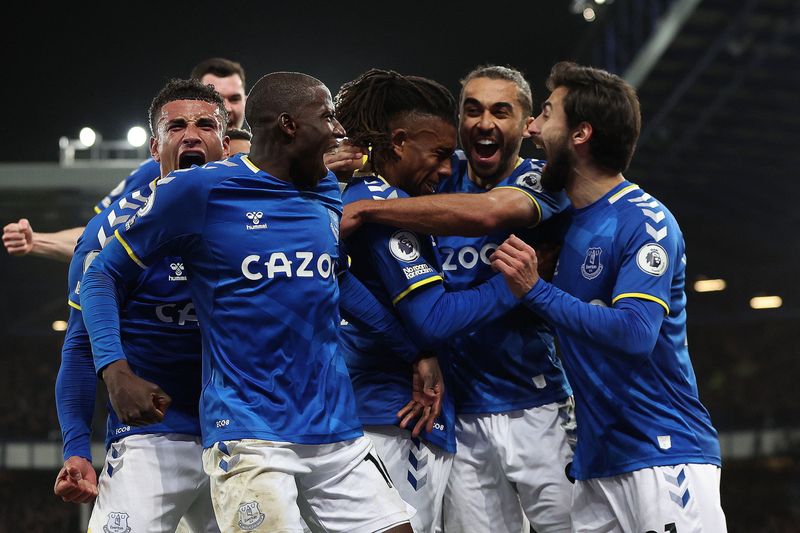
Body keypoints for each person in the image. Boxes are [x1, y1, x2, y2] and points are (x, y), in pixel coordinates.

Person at [79, 71, 415, 533]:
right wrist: (115, 372)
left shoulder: (325, 194)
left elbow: (337, 283)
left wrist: (417, 352)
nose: (338, 130)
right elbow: (102, 274)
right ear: (289, 125)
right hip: (250, 434)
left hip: (337, 428)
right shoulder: (199, 191)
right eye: (328, 117)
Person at [490, 61, 727, 532]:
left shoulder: (644, 220)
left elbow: (635, 333)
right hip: (598, 466)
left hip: (662, 456)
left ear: (580, 134)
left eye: (546, 113)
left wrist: (535, 291)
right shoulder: (568, 223)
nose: (532, 128)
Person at [339, 66, 576, 532]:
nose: (484, 122)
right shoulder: (438, 176)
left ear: (526, 123)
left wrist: (367, 207)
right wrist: (349, 169)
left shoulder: (540, 180)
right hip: (460, 414)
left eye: (500, 111)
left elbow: (489, 214)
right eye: (473, 110)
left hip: (535, 402)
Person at [54, 78, 231, 532]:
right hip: (152, 436)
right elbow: (78, 346)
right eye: (176, 127)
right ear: (155, 147)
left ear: (226, 145)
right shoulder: (107, 234)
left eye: (205, 124)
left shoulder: (261, 217)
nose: (191, 134)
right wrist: (77, 446)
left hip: (243, 433)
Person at [2, 58, 249, 263]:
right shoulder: (157, 169)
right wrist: (38, 241)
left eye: (235, 98)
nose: (226, 107)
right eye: (215, 95)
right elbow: (101, 236)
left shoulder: (265, 163)